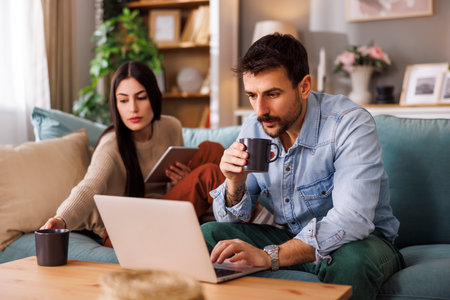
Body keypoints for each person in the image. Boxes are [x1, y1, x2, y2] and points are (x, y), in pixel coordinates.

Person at [201, 33, 404, 300]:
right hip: (287, 237)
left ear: (304, 86)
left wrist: (268, 256)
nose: (260, 109)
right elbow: (230, 219)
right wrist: (234, 183)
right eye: (252, 95)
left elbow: (352, 220)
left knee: (353, 262)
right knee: (209, 235)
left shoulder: (348, 123)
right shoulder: (256, 126)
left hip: (360, 242)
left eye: (272, 94)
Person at [41, 60, 225, 246]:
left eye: (141, 97)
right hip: (124, 228)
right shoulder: (110, 145)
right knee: (207, 173)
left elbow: (169, 192)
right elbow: (89, 187)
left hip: (162, 211)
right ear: (116, 104)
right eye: (123, 100)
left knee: (212, 149)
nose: (133, 108)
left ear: (153, 96)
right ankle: (246, 224)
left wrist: (182, 181)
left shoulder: (171, 126)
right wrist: (61, 220)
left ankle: (230, 215)